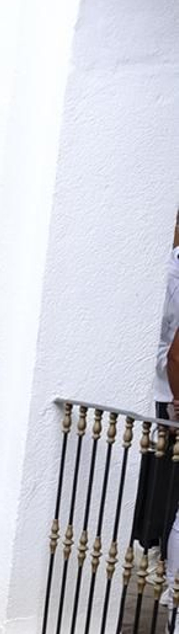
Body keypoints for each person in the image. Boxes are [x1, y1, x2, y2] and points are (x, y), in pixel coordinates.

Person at [131, 212, 179, 568]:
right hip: (165, 386)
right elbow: (171, 348)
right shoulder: (170, 271)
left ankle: (152, 538)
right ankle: (151, 540)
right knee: (159, 471)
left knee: (159, 470)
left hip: (165, 383)